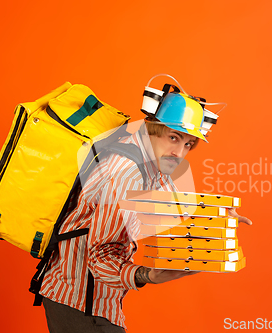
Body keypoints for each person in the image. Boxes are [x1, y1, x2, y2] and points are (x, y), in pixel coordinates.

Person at [39, 84, 252, 333]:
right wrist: (146, 275)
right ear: (154, 129)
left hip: (97, 300)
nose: (179, 152)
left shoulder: (153, 161)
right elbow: (100, 255)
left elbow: (173, 204)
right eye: (174, 137)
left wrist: (216, 216)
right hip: (78, 299)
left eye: (188, 144)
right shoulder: (125, 172)